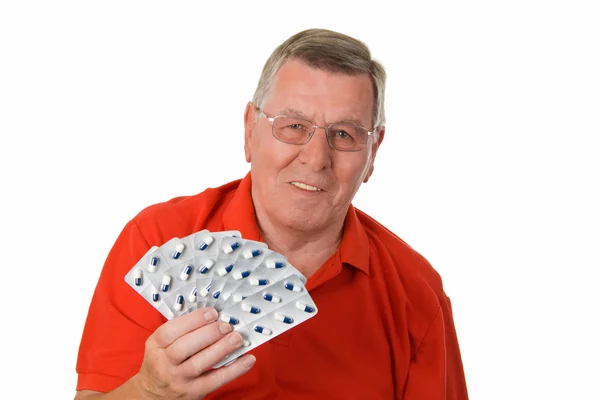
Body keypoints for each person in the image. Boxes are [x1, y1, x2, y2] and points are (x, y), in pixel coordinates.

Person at [74, 28, 469, 399]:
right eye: (294, 126)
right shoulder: (157, 239)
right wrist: (150, 390)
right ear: (249, 131)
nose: (316, 159)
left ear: (373, 153)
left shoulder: (416, 294)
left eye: (344, 134)